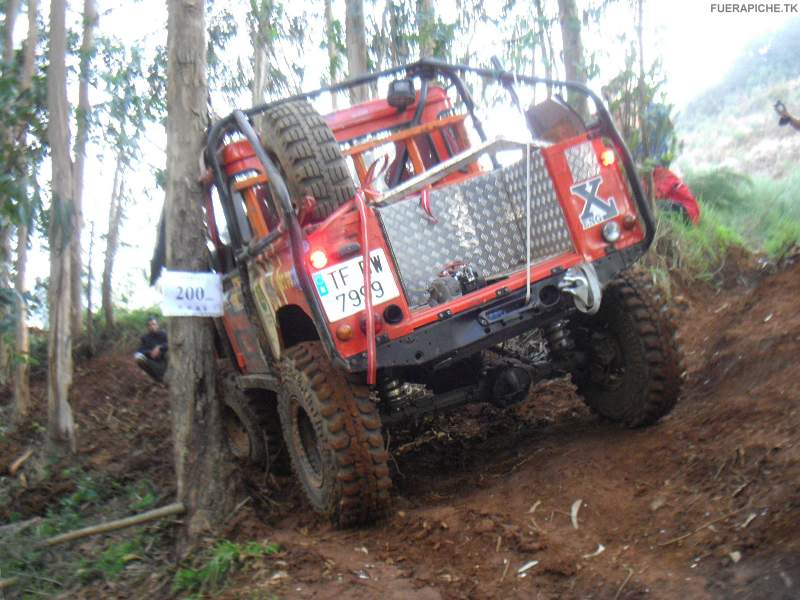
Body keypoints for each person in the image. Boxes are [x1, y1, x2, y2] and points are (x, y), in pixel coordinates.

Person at [134, 316, 168, 382]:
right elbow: (140, 350)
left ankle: (161, 377)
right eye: (149, 325)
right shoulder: (145, 338)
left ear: (157, 325)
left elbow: (170, 344)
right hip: (152, 361)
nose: (152, 326)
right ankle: (156, 378)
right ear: (147, 327)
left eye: (154, 324)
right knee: (138, 356)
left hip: (164, 360)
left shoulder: (164, 334)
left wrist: (160, 347)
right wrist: (150, 352)